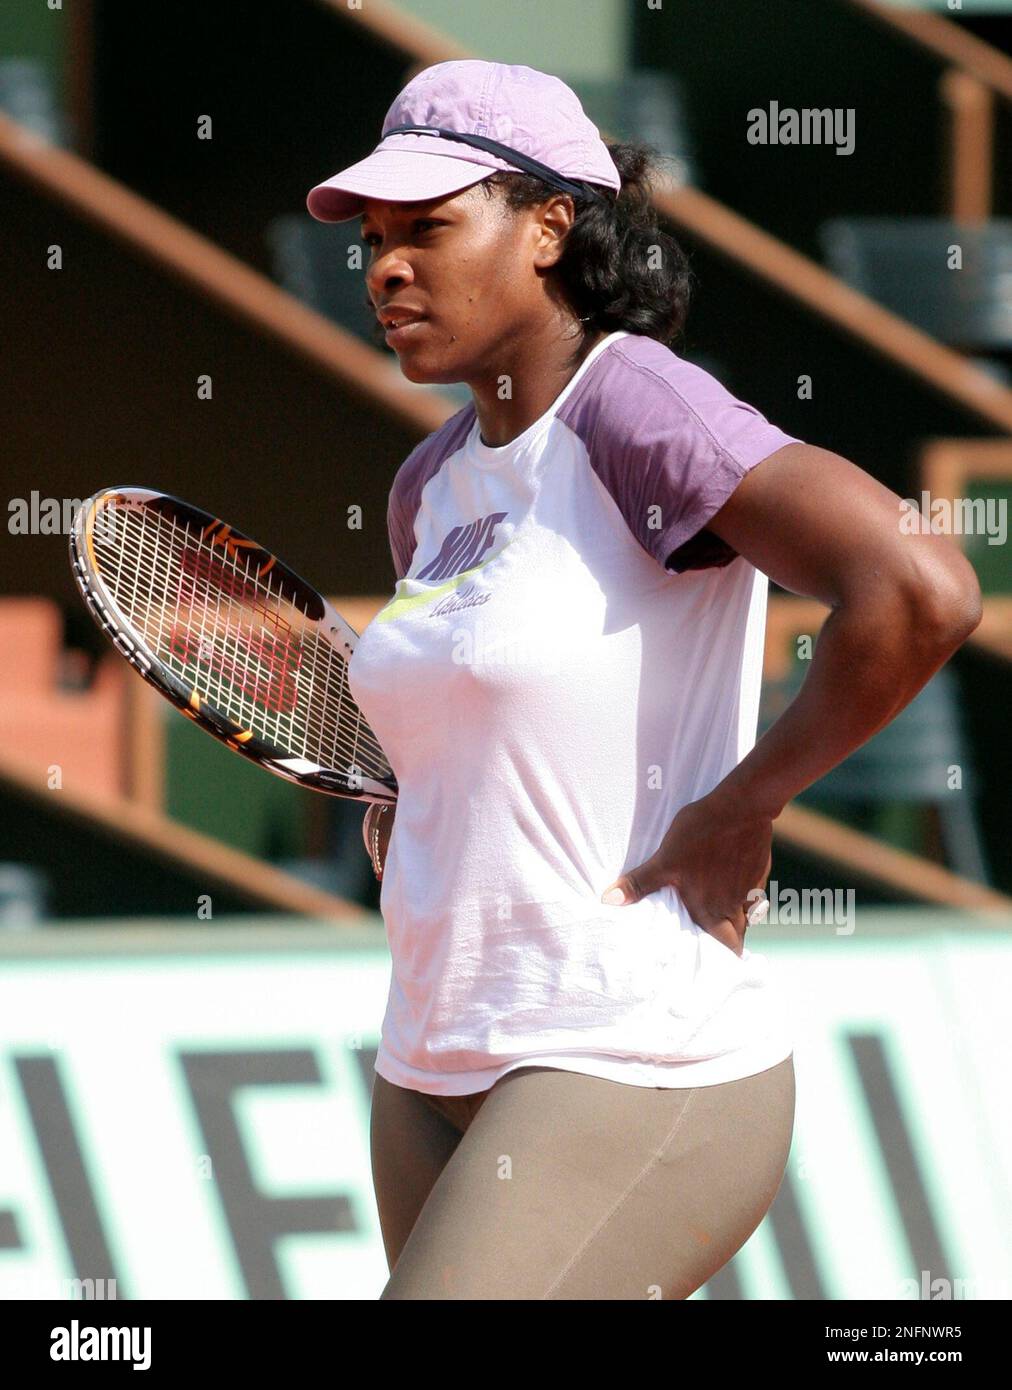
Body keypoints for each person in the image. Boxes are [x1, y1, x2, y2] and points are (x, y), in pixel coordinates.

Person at [306, 60, 982, 1300]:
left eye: (429, 229)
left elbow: (920, 591)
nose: (386, 268)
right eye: (376, 242)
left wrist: (744, 804)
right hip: (429, 1062)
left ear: (551, 228)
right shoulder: (432, 481)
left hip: (627, 1058)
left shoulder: (634, 403)